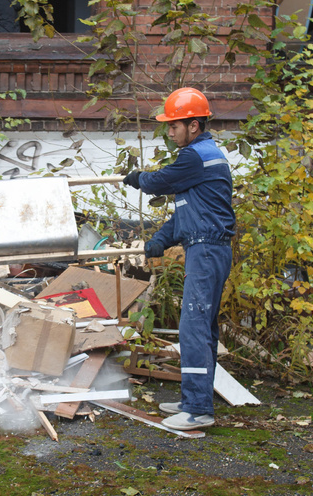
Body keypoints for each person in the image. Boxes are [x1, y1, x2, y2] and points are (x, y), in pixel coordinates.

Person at [122, 87, 236, 431]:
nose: (170, 132)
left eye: (174, 126)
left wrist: (138, 178)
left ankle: (198, 409)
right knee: (203, 327)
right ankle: (194, 401)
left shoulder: (195, 157)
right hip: (207, 248)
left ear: (194, 126)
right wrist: (157, 243)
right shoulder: (200, 160)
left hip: (207, 251)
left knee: (193, 327)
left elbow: (160, 182)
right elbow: (184, 216)